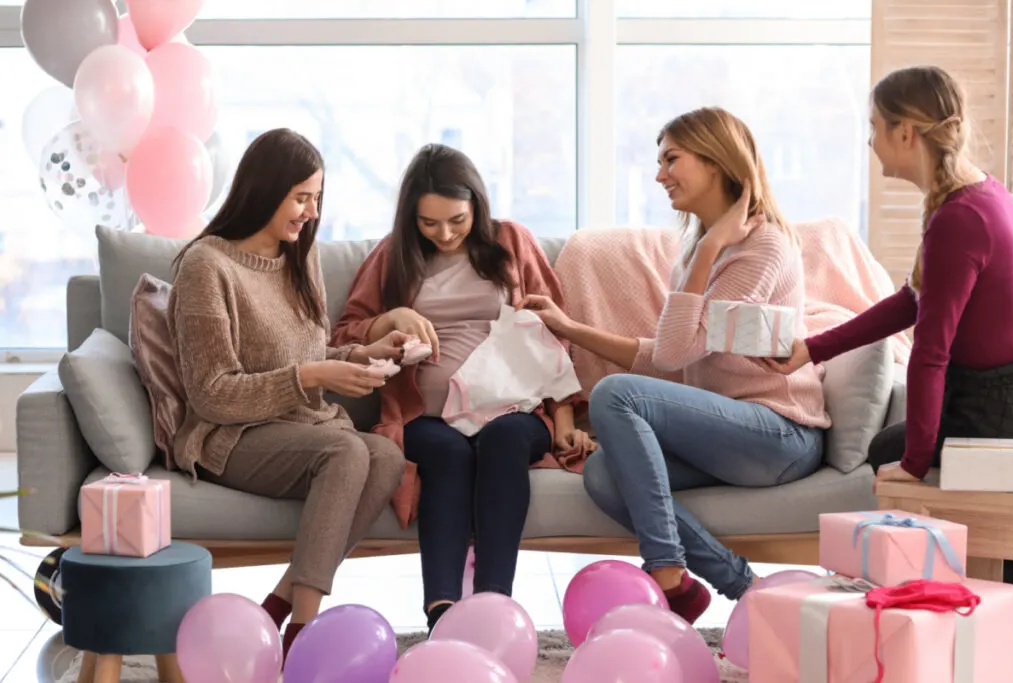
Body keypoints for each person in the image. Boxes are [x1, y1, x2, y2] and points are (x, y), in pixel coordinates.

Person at [520, 107, 830, 623]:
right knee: (602, 473)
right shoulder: (698, 249)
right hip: (727, 431)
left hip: (779, 434)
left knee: (616, 394)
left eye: (671, 159)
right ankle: (737, 582)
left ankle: (666, 569)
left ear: (716, 161)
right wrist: (568, 327)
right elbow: (671, 361)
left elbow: (668, 354)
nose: (659, 174)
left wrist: (709, 247)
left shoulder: (762, 247)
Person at [332, 143, 592, 631]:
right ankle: (443, 611)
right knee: (448, 455)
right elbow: (345, 332)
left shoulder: (512, 242)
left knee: (504, 439)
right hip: (426, 418)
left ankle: (494, 605)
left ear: (477, 203)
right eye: (429, 224)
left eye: (456, 219)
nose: (445, 234)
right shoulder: (394, 254)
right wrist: (388, 318)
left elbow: (554, 334)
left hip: (514, 410)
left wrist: (562, 421)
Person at [167, 128, 407, 656]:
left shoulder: (301, 257)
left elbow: (312, 354)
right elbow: (210, 394)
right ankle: (302, 632)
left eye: (317, 198)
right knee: (346, 449)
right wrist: (313, 378)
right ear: (264, 190)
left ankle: (278, 601)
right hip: (229, 437)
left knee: (385, 456)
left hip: (300, 429)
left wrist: (362, 357)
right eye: (301, 198)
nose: (311, 212)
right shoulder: (207, 266)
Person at [765, 67, 1013, 533]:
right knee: (888, 447)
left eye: (874, 127)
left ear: (905, 133)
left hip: (995, 408)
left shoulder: (960, 219)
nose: (870, 142)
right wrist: (813, 347)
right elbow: (912, 302)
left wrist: (915, 464)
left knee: (888, 453)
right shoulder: (978, 193)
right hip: (998, 395)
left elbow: (930, 353)